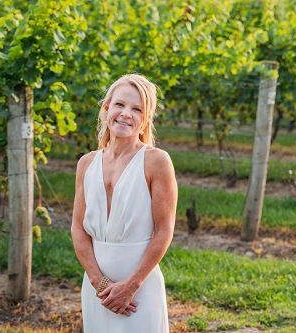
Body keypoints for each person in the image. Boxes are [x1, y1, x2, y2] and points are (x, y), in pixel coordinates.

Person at [71, 74, 177, 332]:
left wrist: (131, 285)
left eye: (137, 109)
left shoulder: (157, 161)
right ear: (106, 109)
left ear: (144, 121)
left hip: (139, 290)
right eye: (119, 105)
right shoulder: (87, 163)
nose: (126, 114)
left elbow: (164, 231)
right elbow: (78, 228)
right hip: (97, 291)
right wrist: (100, 284)